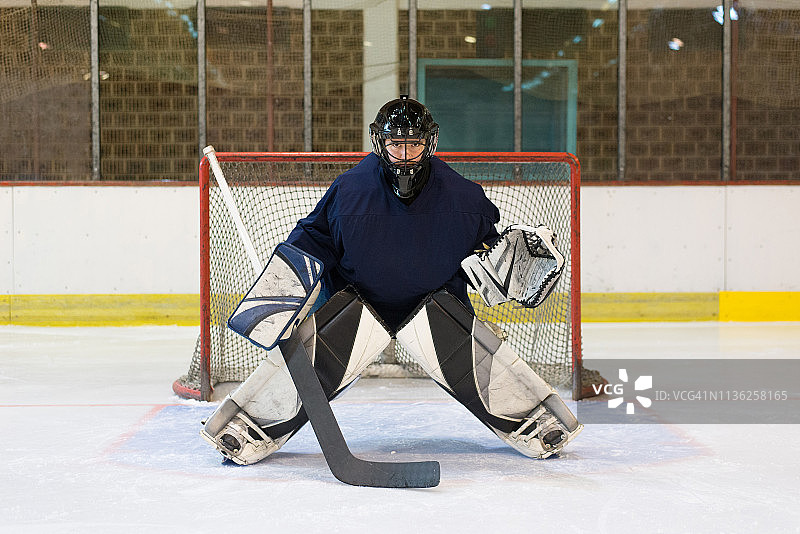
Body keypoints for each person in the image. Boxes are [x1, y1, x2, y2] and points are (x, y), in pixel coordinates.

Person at [201, 95, 582, 465]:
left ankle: (538, 422)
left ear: (428, 143)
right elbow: (312, 241)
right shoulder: (350, 191)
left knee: (480, 361)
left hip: (437, 311)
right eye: (394, 144)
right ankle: (246, 427)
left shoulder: (464, 197)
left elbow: (490, 249)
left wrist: (514, 261)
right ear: (379, 143)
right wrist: (281, 295)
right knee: (310, 362)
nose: (403, 154)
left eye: (412, 144)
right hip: (358, 307)